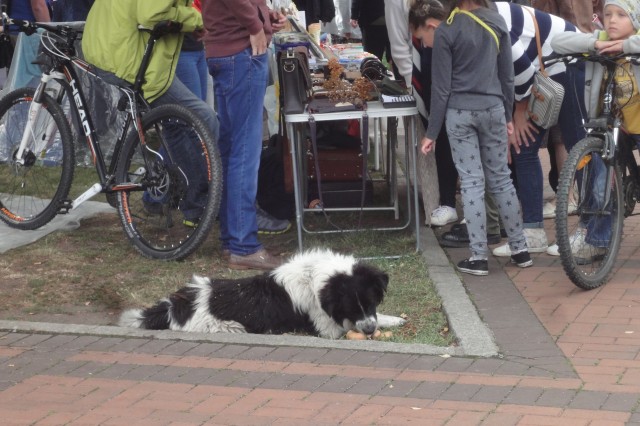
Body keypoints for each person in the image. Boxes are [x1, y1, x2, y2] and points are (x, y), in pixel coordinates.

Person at [410, 0, 531, 276]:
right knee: (501, 179)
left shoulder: (447, 30)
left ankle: (478, 256)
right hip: (493, 109)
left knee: (472, 183)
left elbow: (440, 89)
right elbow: (507, 76)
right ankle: (520, 249)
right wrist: (509, 115)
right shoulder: (496, 21)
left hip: (459, 113)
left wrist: (432, 132)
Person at [82, 0, 220, 231]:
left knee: (177, 125)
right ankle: (201, 202)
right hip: (124, 54)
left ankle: (195, 205)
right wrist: (196, 19)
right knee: (204, 119)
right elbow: (151, 13)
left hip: (118, 47)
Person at [551, 0, 640, 262]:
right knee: (599, 175)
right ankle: (599, 240)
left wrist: (625, 46)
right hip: (611, 124)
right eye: (608, 13)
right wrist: (595, 45)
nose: (612, 20)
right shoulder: (599, 39)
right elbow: (559, 43)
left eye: (621, 15)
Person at [203, 0, 288, 270]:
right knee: (244, 153)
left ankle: (234, 239)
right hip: (240, 52)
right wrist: (255, 25)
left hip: (228, 50)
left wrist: (264, 16)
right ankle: (243, 244)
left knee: (232, 151)